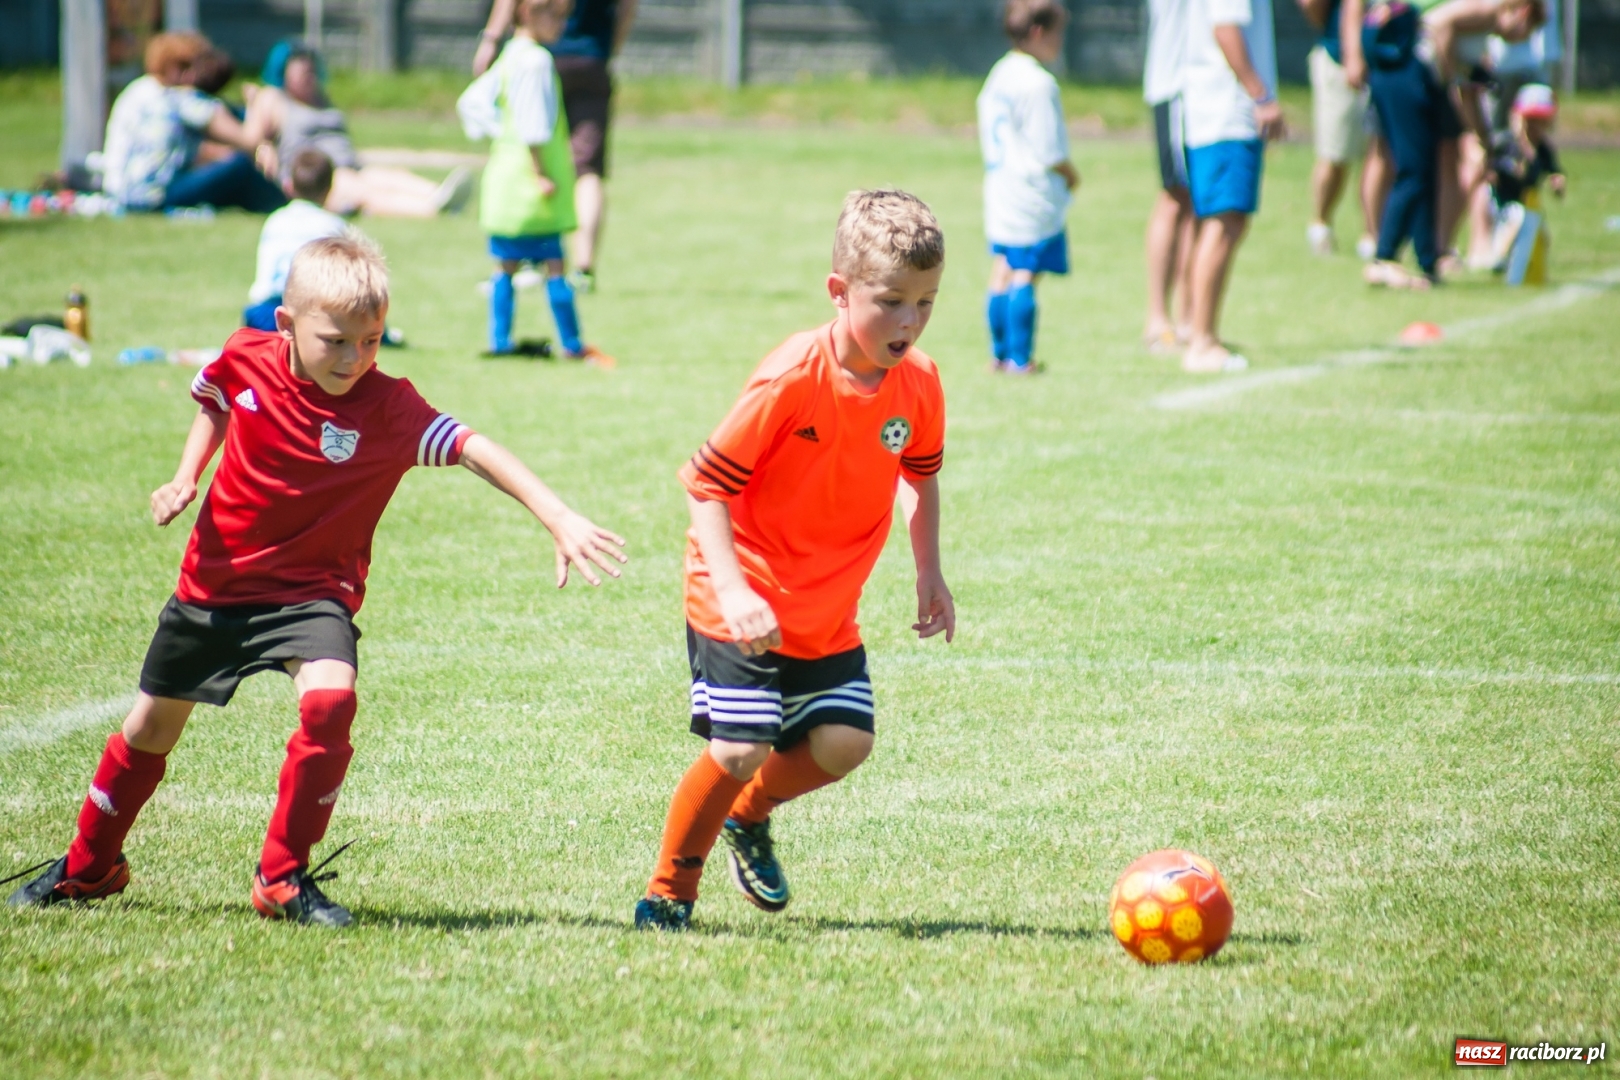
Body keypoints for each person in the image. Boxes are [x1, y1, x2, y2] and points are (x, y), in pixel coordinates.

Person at [6, 236, 627, 926]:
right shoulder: (246, 356)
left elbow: (472, 447)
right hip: (216, 585)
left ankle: (281, 876)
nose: (354, 358)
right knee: (150, 728)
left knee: (331, 701)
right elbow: (216, 398)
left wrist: (557, 516)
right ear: (286, 324)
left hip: (311, 595)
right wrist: (186, 476)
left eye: (371, 340)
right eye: (335, 341)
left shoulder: (389, 407)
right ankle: (90, 866)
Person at [633, 190, 956, 932]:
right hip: (742, 589)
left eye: (926, 303)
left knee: (846, 742)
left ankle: (747, 816)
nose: (909, 322)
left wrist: (929, 571)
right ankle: (669, 890)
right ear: (840, 291)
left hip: (825, 606)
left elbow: (921, 475)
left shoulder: (920, 382)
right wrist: (734, 590)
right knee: (740, 748)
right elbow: (706, 485)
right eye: (891, 302)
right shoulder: (792, 376)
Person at [460, 0, 612, 364]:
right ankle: (572, 344)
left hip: (504, 180)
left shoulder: (510, 54)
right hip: (531, 185)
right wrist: (541, 172)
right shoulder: (537, 61)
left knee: (504, 265)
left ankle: (500, 341)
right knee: (555, 263)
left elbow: (471, 104)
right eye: (554, 16)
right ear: (529, 13)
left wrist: (500, 133)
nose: (561, 25)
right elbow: (535, 123)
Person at [1362, 0, 1541, 288]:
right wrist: (1446, 81)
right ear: (1524, 12)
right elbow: (1438, 22)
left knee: (1426, 173)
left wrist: (1482, 138)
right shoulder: (1489, 8)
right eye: (1528, 32)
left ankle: (1428, 262)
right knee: (1412, 170)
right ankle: (1383, 258)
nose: (1521, 40)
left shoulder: (1483, 33)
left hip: (1413, 80)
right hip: (1407, 77)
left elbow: (1469, 93)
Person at [475, 0, 641, 291]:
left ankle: (528, 259)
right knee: (587, 168)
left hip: (548, 55)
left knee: (535, 155)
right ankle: (583, 267)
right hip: (591, 57)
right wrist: (608, 50)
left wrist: (491, 38)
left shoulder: (530, 54)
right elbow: (627, 8)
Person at [244, 47, 473, 218]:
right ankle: (430, 209)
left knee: (389, 176)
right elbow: (251, 137)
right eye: (302, 73)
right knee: (365, 192)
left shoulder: (319, 98)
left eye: (312, 71)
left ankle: (440, 194)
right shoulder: (273, 98)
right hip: (319, 176)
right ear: (284, 74)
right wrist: (264, 146)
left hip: (350, 166)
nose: (309, 77)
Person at [1178, 0, 1283, 372]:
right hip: (1227, 112)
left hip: (1212, 110)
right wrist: (1261, 95)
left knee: (1215, 222)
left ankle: (1197, 330)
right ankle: (1202, 341)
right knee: (1225, 222)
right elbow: (1225, 28)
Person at [978, 0, 1079, 375]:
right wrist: (1071, 174)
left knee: (1002, 267)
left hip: (1000, 183)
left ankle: (999, 354)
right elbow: (1050, 149)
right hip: (1031, 191)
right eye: (1057, 33)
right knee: (1025, 271)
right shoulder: (1038, 83)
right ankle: (1021, 359)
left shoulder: (1000, 72)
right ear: (1038, 32)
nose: (1060, 42)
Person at [101, 32, 286, 214]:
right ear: (173, 68)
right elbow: (248, 139)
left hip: (120, 193)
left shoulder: (139, 89)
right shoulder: (180, 97)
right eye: (190, 67)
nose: (195, 76)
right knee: (241, 166)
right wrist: (257, 104)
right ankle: (286, 205)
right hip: (153, 197)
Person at [1299, 0, 1378, 257]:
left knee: (1379, 154)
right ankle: (1320, 225)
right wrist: (1352, 54)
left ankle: (1373, 235)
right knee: (1335, 154)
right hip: (1340, 62)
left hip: (1386, 64)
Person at [243, 150, 348, 331]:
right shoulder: (334, 226)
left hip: (265, 312)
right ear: (329, 189)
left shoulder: (275, 221)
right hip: (313, 312)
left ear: (289, 186)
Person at [1142, 0, 1197, 351]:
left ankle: (1190, 317)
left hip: (1199, 89)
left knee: (1196, 200)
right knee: (1176, 195)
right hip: (1177, 84)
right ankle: (1159, 319)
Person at [1483, 82, 1564, 273]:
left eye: (1540, 122)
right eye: (1530, 121)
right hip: (1502, 202)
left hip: (1527, 203)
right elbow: (1490, 163)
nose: (1534, 127)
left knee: (1541, 233)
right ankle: (1499, 257)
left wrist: (1557, 181)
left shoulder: (1542, 149)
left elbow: (1554, 171)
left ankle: (1526, 266)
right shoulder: (1509, 144)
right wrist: (1493, 172)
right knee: (1517, 216)